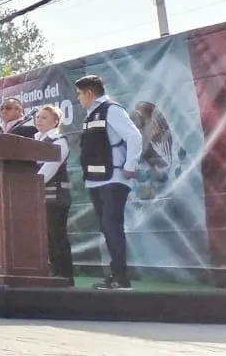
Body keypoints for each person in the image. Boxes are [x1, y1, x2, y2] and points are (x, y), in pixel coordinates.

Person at [76, 74, 141, 291]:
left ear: (89, 93)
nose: (79, 99)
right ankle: (115, 275)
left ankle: (121, 278)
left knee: (113, 228)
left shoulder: (111, 109)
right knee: (107, 228)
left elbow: (134, 136)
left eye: (80, 95)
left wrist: (130, 165)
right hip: (96, 181)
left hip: (113, 179)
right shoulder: (91, 114)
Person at [34, 104, 73, 279]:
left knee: (57, 235)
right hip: (39, 195)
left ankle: (64, 274)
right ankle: (53, 271)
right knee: (46, 237)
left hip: (55, 196)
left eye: (44, 117)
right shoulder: (35, 140)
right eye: (38, 117)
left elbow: (48, 170)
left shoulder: (59, 141)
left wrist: (28, 185)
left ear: (56, 121)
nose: (38, 120)